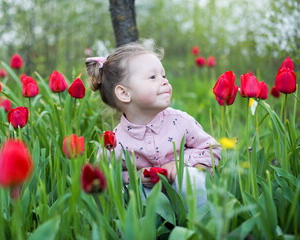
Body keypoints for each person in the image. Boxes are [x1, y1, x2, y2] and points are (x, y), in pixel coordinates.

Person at [85, 41, 221, 208]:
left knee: (189, 178)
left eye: (163, 76)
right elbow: (106, 176)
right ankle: (150, 229)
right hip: (150, 200)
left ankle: (200, 225)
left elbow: (212, 150)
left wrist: (180, 164)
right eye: (153, 77)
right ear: (124, 93)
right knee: (129, 192)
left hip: (186, 195)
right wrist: (135, 177)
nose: (164, 81)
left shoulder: (180, 122)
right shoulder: (115, 141)